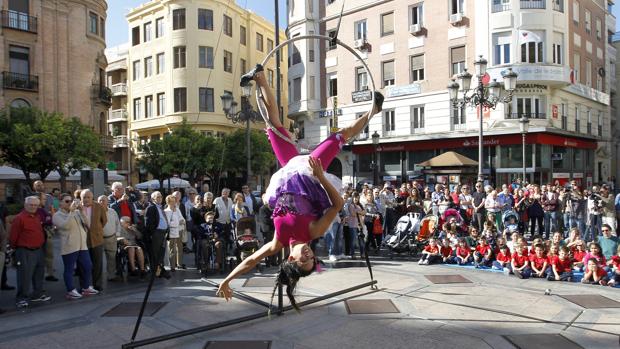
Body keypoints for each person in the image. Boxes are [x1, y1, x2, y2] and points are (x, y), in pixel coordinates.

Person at [217, 64, 381, 309]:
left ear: (290, 259)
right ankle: (373, 111)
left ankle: (260, 78)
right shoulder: (314, 231)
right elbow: (337, 204)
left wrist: (227, 280)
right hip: (310, 173)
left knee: (273, 124)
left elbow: (251, 260)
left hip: (287, 171)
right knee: (341, 135)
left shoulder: (278, 242)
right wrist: (321, 176)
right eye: (311, 259)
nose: (308, 256)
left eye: (303, 260)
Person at [53, 193, 98, 299]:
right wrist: (72, 212)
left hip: (82, 245)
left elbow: (88, 224)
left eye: (71, 201)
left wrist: (82, 211)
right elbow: (65, 226)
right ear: (60, 203)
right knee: (69, 269)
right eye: (67, 201)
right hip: (69, 246)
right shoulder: (57, 215)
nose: (70, 203)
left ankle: (86, 287)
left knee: (88, 266)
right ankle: (70, 290)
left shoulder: (77, 212)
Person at [10, 196, 51, 308]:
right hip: (25, 251)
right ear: (25, 205)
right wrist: (15, 250)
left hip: (38, 250)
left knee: (39, 273)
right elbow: (13, 236)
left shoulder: (37, 216)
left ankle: (37, 294)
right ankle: (21, 298)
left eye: (35, 205)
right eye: (31, 205)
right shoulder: (20, 218)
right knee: (24, 276)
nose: (33, 207)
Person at [79, 189, 107, 292]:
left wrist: (97, 229)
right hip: (82, 240)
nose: (86, 199)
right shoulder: (77, 207)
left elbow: (104, 220)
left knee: (97, 263)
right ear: (80, 198)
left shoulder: (98, 206)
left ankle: (97, 284)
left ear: (92, 198)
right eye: (84, 197)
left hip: (97, 239)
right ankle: (84, 285)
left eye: (88, 197)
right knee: (82, 264)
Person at [144, 191, 171, 279]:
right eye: (158, 197)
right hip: (157, 233)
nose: (160, 198)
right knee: (155, 253)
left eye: (160, 197)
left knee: (161, 253)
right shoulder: (151, 208)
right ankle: (155, 271)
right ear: (153, 199)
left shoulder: (160, 207)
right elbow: (148, 223)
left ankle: (159, 270)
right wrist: (153, 233)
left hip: (163, 233)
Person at [97, 195, 122, 282]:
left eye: (103, 200)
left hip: (111, 238)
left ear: (107, 202)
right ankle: (97, 277)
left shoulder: (112, 211)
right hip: (99, 239)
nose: (101, 202)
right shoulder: (95, 212)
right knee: (98, 259)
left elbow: (118, 223)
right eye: (99, 200)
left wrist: (117, 233)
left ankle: (111, 275)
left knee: (111, 258)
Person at [164, 194, 186, 272]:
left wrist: (182, 221)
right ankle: (172, 266)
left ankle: (179, 264)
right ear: (168, 202)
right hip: (172, 232)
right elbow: (168, 223)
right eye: (172, 201)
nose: (174, 203)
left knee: (180, 248)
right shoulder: (166, 211)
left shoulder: (177, 209)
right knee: (172, 249)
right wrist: (178, 222)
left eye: (175, 201)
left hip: (179, 230)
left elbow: (181, 218)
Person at [257, 194, 276, 266]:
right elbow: (265, 220)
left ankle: (273, 261)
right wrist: (273, 220)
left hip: (272, 228)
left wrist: (273, 219)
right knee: (267, 245)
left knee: (274, 245)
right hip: (266, 230)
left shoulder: (272, 208)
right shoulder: (262, 208)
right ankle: (268, 261)